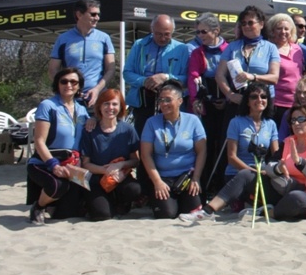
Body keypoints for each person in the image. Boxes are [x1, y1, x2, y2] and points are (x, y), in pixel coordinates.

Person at [180, 82, 279, 221]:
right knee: (245, 176)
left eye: (263, 96)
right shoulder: (236, 122)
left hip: (260, 173)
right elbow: (231, 157)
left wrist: (270, 170)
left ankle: (252, 206)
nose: (259, 100)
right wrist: (251, 170)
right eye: (254, 97)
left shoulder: (271, 124)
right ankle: (207, 211)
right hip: (237, 173)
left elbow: (276, 154)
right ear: (247, 101)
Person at [26, 67, 92, 224]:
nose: (69, 85)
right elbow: (39, 141)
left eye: (73, 82)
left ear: (79, 86)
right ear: (57, 84)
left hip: (71, 164)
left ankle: (54, 205)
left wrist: (93, 120)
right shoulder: (48, 106)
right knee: (58, 186)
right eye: (64, 81)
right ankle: (39, 207)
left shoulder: (82, 110)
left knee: (66, 213)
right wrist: (53, 165)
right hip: (44, 163)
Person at [140, 80, 207, 219]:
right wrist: (157, 182)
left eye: (168, 100)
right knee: (167, 214)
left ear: (180, 101)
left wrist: (196, 178)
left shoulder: (193, 120)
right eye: (161, 100)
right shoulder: (151, 122)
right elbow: (146, 155)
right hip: (162, 177)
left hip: (187, 176)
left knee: (192, 211)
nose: (164, 104)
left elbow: (202, 151)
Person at [78, 88, 142, 220]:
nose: (110, 108)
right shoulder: (90, 130)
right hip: (96, 179)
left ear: (121, 107)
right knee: (102, 215)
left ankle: (121, 202)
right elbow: (86, 164)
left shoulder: (128, 130)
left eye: (114, 104)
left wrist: (120, 165)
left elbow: (135, 161)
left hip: (120, 177)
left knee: (135, 189)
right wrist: (106, 170)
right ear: (99, 106)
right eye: (106, 104)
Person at [123, 14, 190, 133]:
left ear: (173, 31)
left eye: (167, 34)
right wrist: (144, 81)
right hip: (143, 102)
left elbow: (187, 79)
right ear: (152, 29)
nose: (163, 38)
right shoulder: (139, 45)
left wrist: (166, 78)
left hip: (170, 103)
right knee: (143, 137)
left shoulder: (182, 48)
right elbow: (127, 73)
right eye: (158, 34)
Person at [216, 6, 280, 123]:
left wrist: (253, 77)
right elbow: (220, 75)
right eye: (243, 23)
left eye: (250, 23)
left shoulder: (271, 48)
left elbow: (274, 78)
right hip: (238, 101)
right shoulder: (232, 46)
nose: (246, 26)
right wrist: (230, 95)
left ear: (261, 24)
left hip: (261, 102)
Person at [186, 13, 227, 192]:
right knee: (206, 143)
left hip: (226, 101)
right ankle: (206, 184)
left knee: (224, 143)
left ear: (216, 31)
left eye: (203, 32)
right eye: (198, 32)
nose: (200, 35)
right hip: (206, 102)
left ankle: (222, 183)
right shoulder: (197, 52)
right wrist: (195, 100)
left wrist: (227, 99)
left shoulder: (228, 49)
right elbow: (193, 76)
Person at [48, 0, 115, 107]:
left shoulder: (104, 38)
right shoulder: (63, 38)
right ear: (79, 14)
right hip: (70, 99)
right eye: (93, 14)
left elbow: (110, 69)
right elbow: (52, 69)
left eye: (98, 14)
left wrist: (97, 89)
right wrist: (67, 88)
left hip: (97, 98)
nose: (97, 18)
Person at [267, 13, 306, 125]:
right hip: (276, 103)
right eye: (279, 28)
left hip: (297, 103)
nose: (283, 32)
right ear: (272, 31)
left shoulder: (298, 49)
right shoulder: (268, 49)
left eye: (286, 29)